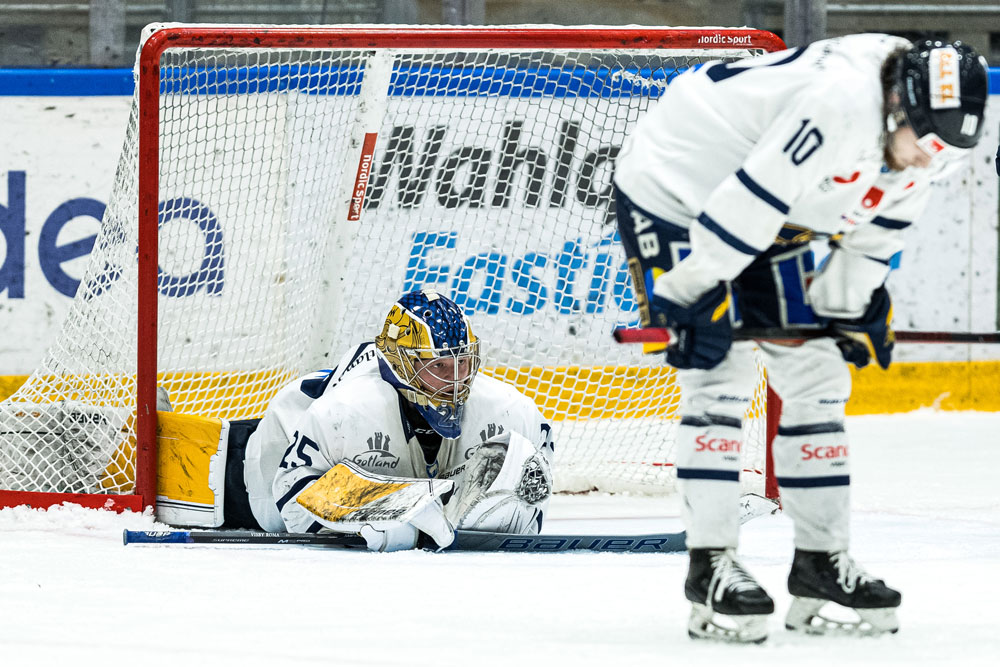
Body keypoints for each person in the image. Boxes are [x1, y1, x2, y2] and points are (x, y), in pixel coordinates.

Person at [613, 35, 988, 642]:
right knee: (720, 368)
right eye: (924, 143)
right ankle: (710, 565)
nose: (929, 160)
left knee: (817, 372)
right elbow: (747, 200)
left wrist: (850, 308)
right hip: (678, 183)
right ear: (897, 103)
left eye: (943, 149)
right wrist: (690, 292)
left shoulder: (931, 137)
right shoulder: (839, 100)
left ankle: (820, 563)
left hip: (771, 204)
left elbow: (876, 231)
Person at [221, 288, 553, 551]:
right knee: (263, 514)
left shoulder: (509, 409)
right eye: (438, 366)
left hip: (363, 453)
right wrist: (382, 507)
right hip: (276, 447)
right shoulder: (345, 412)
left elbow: (539, 471)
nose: (456, 380)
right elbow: (291, 500)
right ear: (402, 364)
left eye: (462, 362)